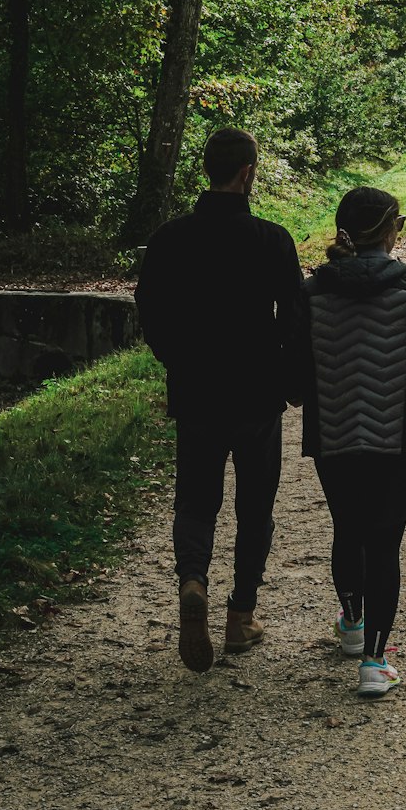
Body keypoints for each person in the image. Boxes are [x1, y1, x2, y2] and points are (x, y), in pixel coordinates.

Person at [134, 128, 303, 673]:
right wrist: (292, 380)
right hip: (257, 395)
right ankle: (240, 617)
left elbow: (151, 314)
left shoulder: (168, 239)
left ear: (207, 170)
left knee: (196, 498)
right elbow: (297, 321)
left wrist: (178, 362)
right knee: (256, 507)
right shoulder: (272, 240)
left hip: (197, 391)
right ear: (248, 172)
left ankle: (192, 580)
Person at [298, 186, 406, 698]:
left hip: (333, 432)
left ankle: (350, 622)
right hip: (399, 437)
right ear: (394, 229)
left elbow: (293, 373)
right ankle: (374, 660)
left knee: (348, 527)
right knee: (384, 539)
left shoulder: (311, 289)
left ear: (343, 230)